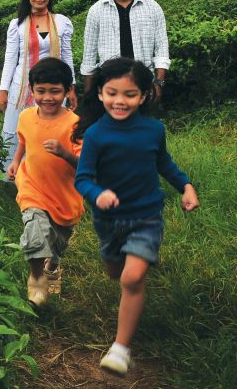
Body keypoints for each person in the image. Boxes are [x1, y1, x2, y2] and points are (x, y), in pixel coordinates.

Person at [73, 57, 199, 377]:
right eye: (112, 93)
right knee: (117, 273)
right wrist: (97, 193)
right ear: (100, 94)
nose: (120, 101)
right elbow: (83, 178)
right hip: (109, 220)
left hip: (146, 217)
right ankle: (130, 288)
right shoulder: (97, 135)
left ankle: (120, 349)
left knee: (132, 278)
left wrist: (185, 186)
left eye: (130, 94)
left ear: (144, 96)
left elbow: (164, 164)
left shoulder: (154, 130)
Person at [6, 57, 83, 307]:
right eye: (41, 91)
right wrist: (17, 161)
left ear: (68, 91)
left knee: (57, 244)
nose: (48, 97)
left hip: (64, 196)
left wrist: (64, 153)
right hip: (32, 187)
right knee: (36, 235)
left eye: (55, 91)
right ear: (32, 90)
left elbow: (85, 166)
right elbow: (24, 141)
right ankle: (37, 279)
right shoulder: (27, 116)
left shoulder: (75, 125)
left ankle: (52, 268)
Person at [0, 0, 77, 170]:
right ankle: (13, 173)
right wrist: (3, 90)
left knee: (49, 128)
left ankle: (44, 171)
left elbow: (67, 57)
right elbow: (10, 59)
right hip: (22, 86)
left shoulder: (62, 22)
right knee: (17, 128)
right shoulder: (17, 24)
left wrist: (72, 87)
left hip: (54, 86)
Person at [81, 0, 170, 102]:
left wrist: (159, 82)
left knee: (142, 123)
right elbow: (89, 55)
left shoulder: (153, 8)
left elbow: (161, 48)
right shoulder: (96, 10)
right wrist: (88, 92)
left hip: (143, 80)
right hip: (110, 82)